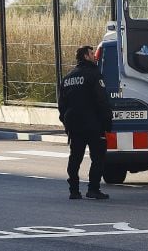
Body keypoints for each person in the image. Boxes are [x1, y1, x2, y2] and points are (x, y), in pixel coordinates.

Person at [57, 45, 113, 200]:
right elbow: (102, 100)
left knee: (75, 157)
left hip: (74, 125)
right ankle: (93, 189)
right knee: (98, 157)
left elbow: (61, 104)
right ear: (85, 57)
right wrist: (107, 122)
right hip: (93, 124)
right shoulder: (94, 74)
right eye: (91, 53)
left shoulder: (68, 77)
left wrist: (66, 122)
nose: (95, 56)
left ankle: (74, 190)